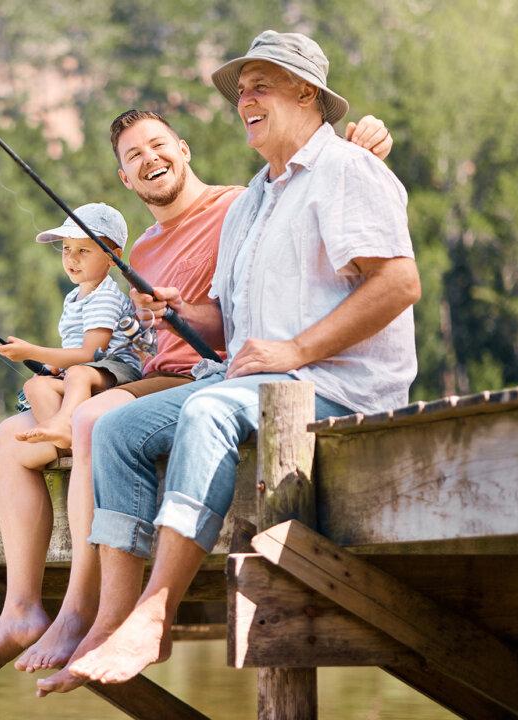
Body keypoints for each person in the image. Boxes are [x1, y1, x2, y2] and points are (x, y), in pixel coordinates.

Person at [0, 106, 394, 688]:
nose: (150, 160)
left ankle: (84, 612)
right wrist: (161, 315)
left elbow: (241, 316)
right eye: (133, 156)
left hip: (217, 378)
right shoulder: (139, 251)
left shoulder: (240, 206)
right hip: (160, 375)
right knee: (7, 437)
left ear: (185, 147)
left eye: (157, 145)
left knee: (97, 418)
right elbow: (193, 324)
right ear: (123, 177)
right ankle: (22, 606)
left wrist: (364, 144)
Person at [53, 30, 421, 692]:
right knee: (114, 429)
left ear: (306, 93)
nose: (243, 101)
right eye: (239, 91)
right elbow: (230, 323)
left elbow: (398, 284)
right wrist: (181, 313)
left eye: (260, 86)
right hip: (258, 382)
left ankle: (156, 613)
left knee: (208, 407)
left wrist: (296, 350)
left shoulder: (347, 171)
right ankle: (111, 618)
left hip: (334, 387)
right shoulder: (254, 196)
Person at [0, 203, 142, 449]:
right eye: (66, 249)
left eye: (83, 250)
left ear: (113, 257)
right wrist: (50, 367)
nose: (72, 258)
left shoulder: (104, 296)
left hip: (117, 373)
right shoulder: (73, 297)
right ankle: (66, 444)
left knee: (77, 373)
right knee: (35, 386)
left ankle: (66, 426)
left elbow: (90, 354)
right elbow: (73, 345)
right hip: (86, 373)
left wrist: (31, 352)